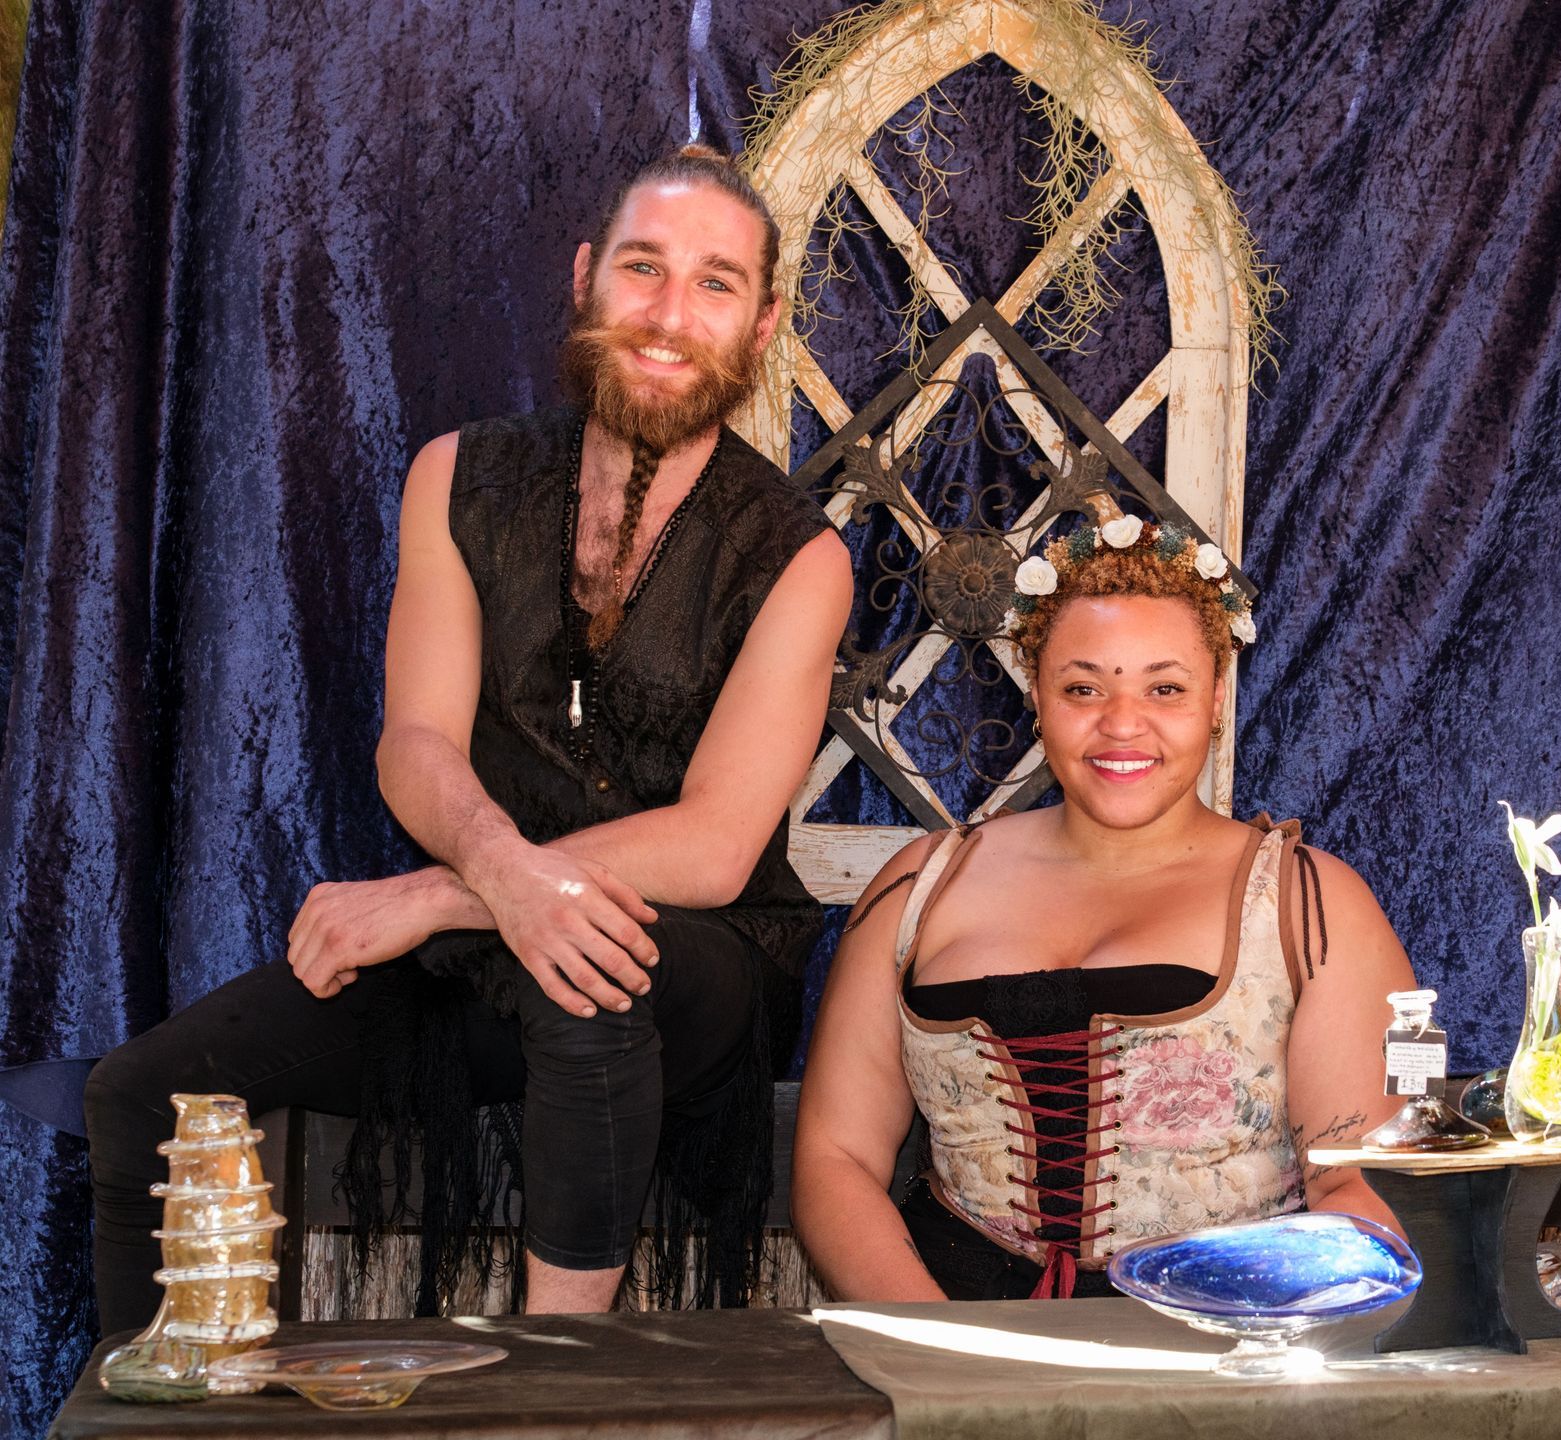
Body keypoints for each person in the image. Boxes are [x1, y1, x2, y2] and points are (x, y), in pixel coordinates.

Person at [83, 145, 853, 1330]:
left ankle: (553, 1386)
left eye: (715, 283)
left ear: (761, 327)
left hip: (700, 960)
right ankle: (157, 1403)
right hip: (480, 959)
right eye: (645, 268)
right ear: (588, 277)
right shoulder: (458, 475)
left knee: (589, 970)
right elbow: (416, 745)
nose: (668, 313)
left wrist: (446, 894)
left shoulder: (800, 556)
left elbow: (713, 846)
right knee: (143, 1091)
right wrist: (502, 880)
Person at [791, 517, 1414, 1301]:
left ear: (1217, 700)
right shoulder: (918, 886)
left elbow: (1352, 1186)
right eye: (1083, 688)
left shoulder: (1309, 903)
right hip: (952, 1329)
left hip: (1222, 1339)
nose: (1123, 724)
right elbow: (835, 1159)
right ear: (1036, 697)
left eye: (1165, 688)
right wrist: (942, 1355)